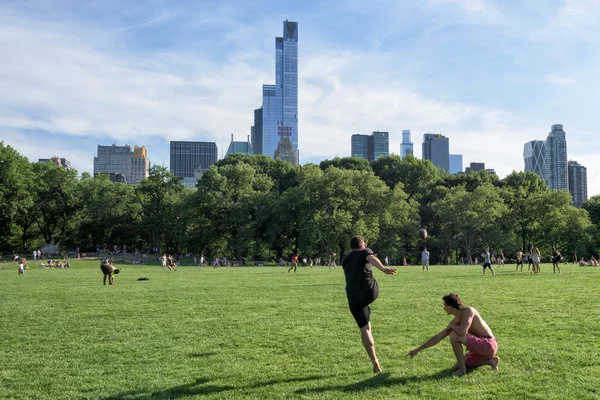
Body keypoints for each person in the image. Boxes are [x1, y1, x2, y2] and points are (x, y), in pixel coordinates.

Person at [406, 293, 499, 376]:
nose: (444, 308)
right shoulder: (457, 320)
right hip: (481, 347)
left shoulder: (468, 311)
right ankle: (490, 361)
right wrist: (418, 349)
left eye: (445, 305)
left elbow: (462, 332)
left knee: (454, 335)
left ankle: (462, 370)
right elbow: (439, 336)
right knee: (457, 365)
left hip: (488, 344)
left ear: (451, 306)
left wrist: (453, 326)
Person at [341, 235, 396, 373]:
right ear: (362, 245)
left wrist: (369, 260)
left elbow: (359, 265)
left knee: (364, 328)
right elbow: (371, 258)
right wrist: (383, 269)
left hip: (352, 297)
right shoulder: (366, 251)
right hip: (369, 292)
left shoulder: (346, 259)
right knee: (371, 281)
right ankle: (375, 362)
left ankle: (375, 362)